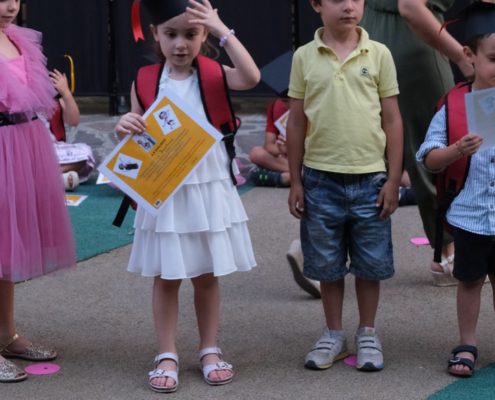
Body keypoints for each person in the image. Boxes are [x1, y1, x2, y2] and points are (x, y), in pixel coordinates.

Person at [115, 0, 259, 392]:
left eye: (191, 34)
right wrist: (124, 126)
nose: (181, 43)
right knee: (166, 276)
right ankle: (166, 353)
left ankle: (209, 348)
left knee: (206, 275)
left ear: (204, 35)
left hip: (207, 187)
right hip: (165, 191)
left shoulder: (213, 74)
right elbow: (137, 136)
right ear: (155, 34)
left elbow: (251, 76)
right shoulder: (145, 80)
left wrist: (222, 29)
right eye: (171, 34)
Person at [287, 0, 403, 372]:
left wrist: (393, 178)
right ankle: (333, 334)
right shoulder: (304, 57)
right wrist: (295, 180)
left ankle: (367, 332)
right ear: (317, 5)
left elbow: (392, 119)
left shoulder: (379, 53)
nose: (348, 6)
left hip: (371, 179)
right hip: (319, 179)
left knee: (370, 263)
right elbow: (296, 122)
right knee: (327, 264)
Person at [360, 0, 475, 285]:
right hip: (415, 41)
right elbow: (410, 6)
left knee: (366, 149)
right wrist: (461, 56)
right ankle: (448, 254)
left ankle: (323, 249)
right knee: (441, 147)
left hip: (368, 35)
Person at [416, 1, 495, 377]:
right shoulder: (453, 105)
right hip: (471, 214)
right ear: (470, 56)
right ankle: (467, 343)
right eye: (493, 59)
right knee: (470, 280)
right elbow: (429, 158)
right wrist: (456, 150)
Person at [0, 0, 76, 383]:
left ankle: (6, 334)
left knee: (6, 246)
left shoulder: (20, 39)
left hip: (24, 144)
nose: (10, 5)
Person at [48, 68, 95, 191]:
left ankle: (51, 176)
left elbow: (74, 121)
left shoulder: (55, 97)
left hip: (54, 150)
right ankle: (53, 178)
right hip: (28, 151)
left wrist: (66, 92)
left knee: (86, 153)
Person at [248, 96, 291, 187]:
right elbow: (269, 145)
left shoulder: (312, 109)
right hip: (287, 159)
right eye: (284, 101)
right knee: (256, 153)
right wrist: (282, 149)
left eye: (292, 100)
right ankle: (300, 175)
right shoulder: (276, 106)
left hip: (309, 159)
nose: (286, 105)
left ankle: (285, 178)